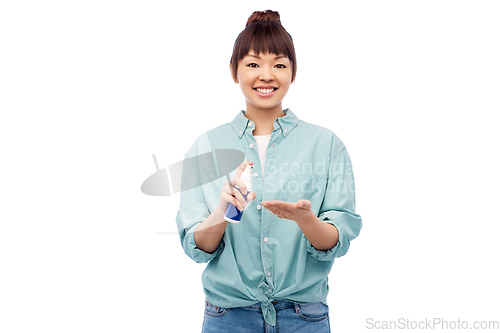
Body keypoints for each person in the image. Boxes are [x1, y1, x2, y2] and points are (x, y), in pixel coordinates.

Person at [176, 9, 362, 333]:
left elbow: (338, 238)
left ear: (293, 72)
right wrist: (222, 211)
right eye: (252, 64)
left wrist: (307, 221)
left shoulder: (327, 145)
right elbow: (197, 248)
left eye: (279, 64)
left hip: (304, 318)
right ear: (233, 71)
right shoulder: (205, 147)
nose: (266, 75)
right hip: (228, 318)